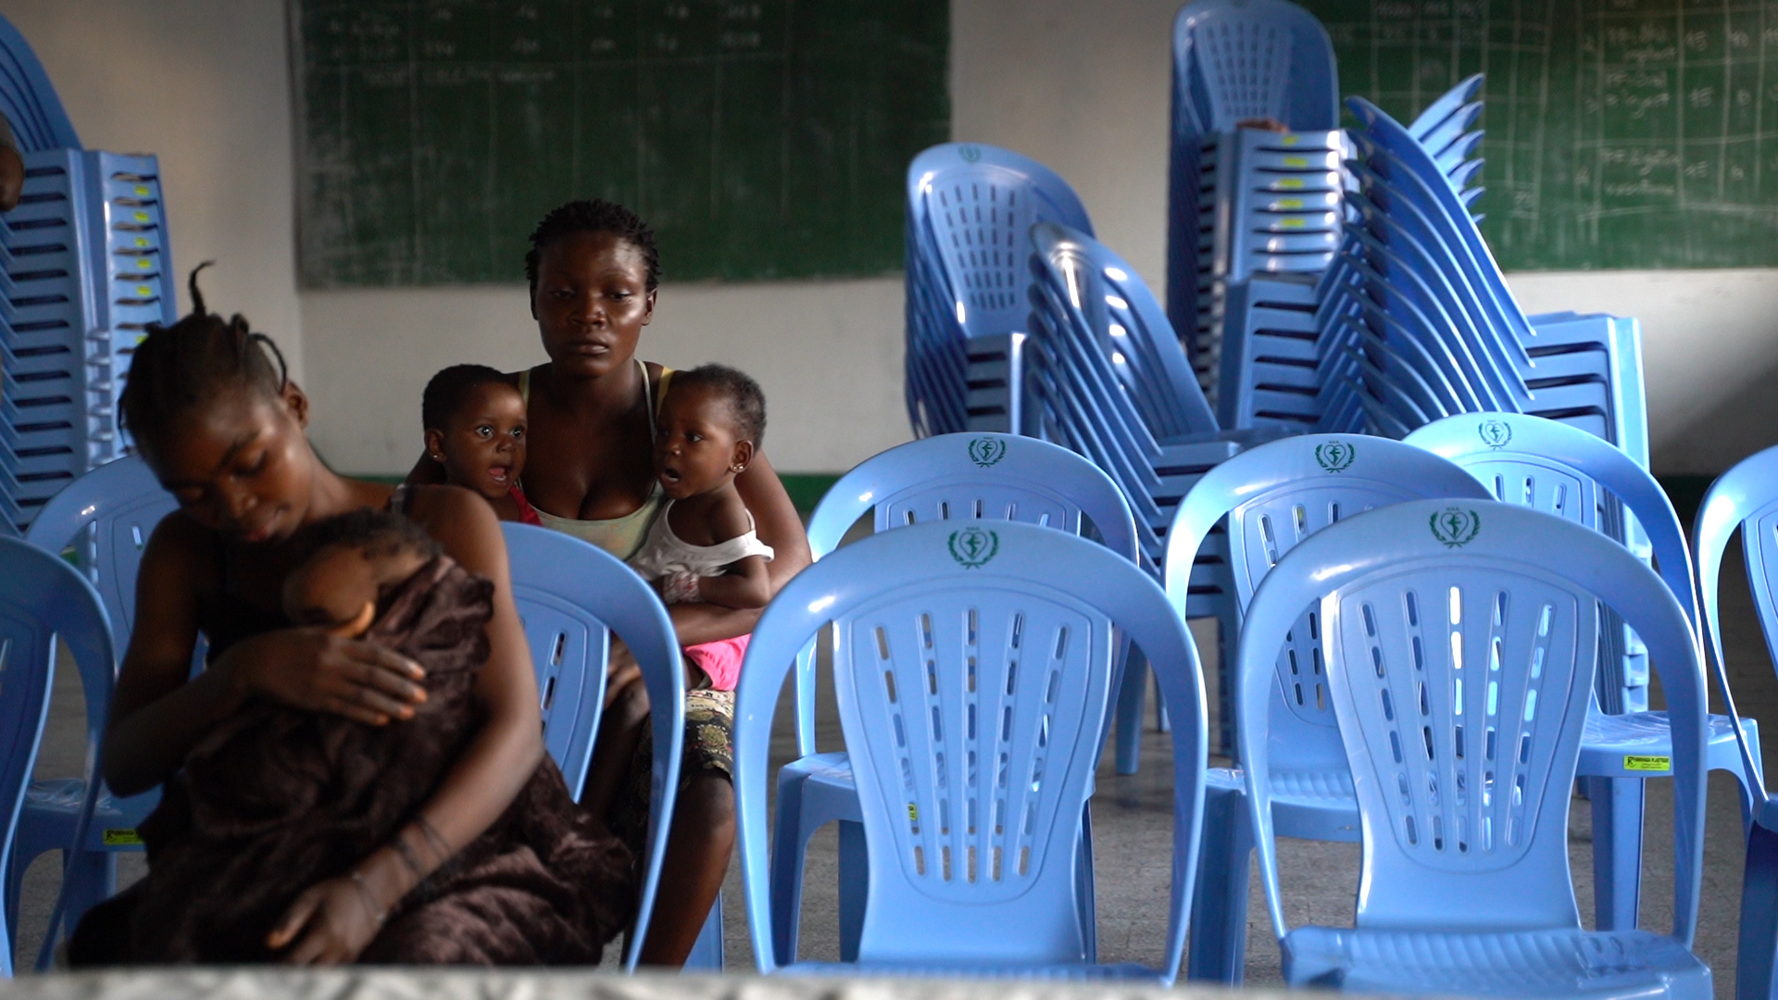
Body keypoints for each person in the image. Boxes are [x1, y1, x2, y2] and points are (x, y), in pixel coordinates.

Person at [72, 267, 620, 966]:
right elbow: (125, 764)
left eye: (251, 463)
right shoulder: (188, 552)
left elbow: (515, 732)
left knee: (407, 960)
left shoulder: (441, 519)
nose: (234, 505)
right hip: (272, 845)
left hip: (461, 846)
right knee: (128, 954)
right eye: (193, 493)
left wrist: (373, 887)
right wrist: (240, 674)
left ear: (294, 406)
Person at [407, 199, 813, 965]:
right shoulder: (493, 414)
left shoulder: (691, 412)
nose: (588, 314)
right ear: (533, 300)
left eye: (616, 295)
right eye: (563, 293)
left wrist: (652, 640)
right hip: (522, 671)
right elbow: (401, 537)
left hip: (666, 672)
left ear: (648, 305)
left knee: (708, 799)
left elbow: (792, 563)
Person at [124, 507, 632, 962]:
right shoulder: (298, 683)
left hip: (475, 862)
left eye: (324, 622)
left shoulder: (427, 693)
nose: (313, 647)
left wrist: (370, 889)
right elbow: (150, 775)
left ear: (397, 608)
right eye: (297, 627)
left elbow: (501, 755)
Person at [583, 363, 774, 822]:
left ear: (738, 457)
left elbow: (756, 589)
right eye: (665, 432)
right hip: (675, 631)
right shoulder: (687, 499)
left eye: (694, 438)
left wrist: (684, 585)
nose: (671, 446)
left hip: (709, 647)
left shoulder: (725, 511)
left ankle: (586, 818)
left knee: (634, 697)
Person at [420, 363, 542, 525]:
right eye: (485, 431)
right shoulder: (435, 511)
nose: (508, 444)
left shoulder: (516, 500)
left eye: (517, 432)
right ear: (438, 446)